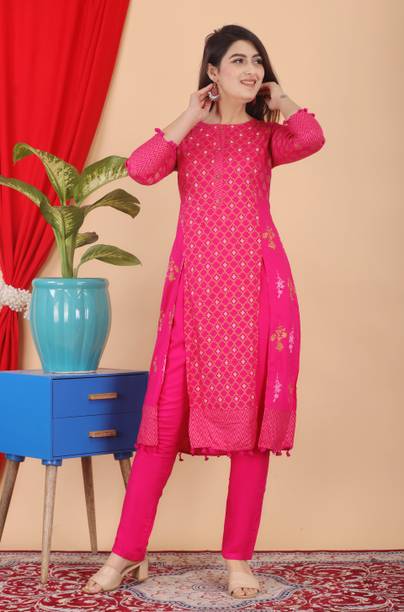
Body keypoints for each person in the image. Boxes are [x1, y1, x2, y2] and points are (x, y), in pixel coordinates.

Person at [82, 24, 325, 599]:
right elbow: (140, 168)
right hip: (193, 299)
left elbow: (312, 137)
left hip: (257, 295)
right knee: (160, 429)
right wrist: (190, 114)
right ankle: (124, 554)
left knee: (252, 436)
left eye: (257, 60)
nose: (251, 69)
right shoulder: (188, 138)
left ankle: (238, 559)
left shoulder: (267, 137)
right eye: (237, 60)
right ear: (213, 72)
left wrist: (283, 97)